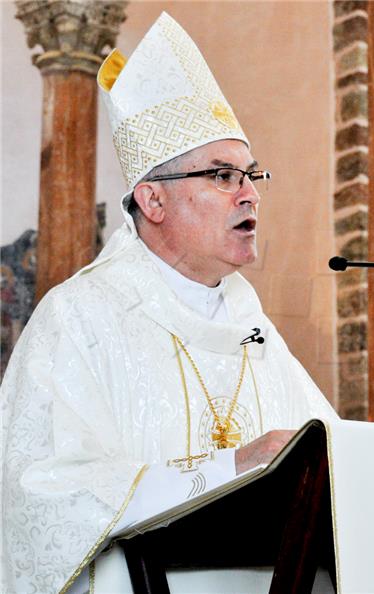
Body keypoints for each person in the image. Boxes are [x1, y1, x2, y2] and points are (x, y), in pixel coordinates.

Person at [0, 12, 337, 593]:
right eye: (223, 175)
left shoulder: (254, 330)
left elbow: (332, 461)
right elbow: (42, 492)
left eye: (251, 174)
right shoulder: (79, 318)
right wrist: (230, 467)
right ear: (152, 200)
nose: (250, 193)